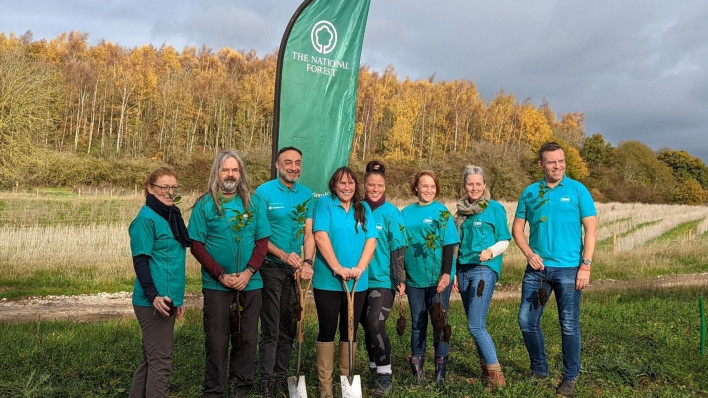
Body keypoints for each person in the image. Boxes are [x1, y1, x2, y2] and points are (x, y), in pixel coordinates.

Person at [513, 142, 598, 397]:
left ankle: (570, 377)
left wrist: (586, 265)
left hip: (570, 270)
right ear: (541, 165)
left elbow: (591, 230)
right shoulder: (530, 192)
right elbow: (517, 229)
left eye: (560, 161)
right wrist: (529, 254)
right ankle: (540, 370)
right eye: (551, 162)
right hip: (537, 271)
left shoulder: (577, 190)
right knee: (526, 321)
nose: (557, 166)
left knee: (569, 325)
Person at [188, 150, 271, 398]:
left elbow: (262, 241)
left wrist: (248, 272)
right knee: (217, 341)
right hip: (217, 286)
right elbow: (196, 245)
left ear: (241, 173)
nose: (230, 174)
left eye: (235, 170)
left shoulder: (253, 203)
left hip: (250, 283)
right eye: (225, 169)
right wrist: (221, 275)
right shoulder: (205, 204)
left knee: (246, 339)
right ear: (217, 172)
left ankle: (242, 390)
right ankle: (214, 391)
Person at [255, 146, 315, 397]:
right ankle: (266, 379)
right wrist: (283, 255)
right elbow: (260, 235)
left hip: (295, 271)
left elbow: (308, 233)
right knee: (270, 327)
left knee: (290, 325)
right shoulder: (263, 193)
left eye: (297, 163)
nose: (293, 167)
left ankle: (281, 374)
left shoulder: (307, 195)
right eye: (288, 162)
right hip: (270, 267)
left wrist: (307, 263)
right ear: (277, 166)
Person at [312, 166, 377, 398]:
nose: (347, 187)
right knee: (327, 330)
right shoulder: (324, 204)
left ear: (356, 186)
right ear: (334, 185)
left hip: (357, 281)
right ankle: (326, 389)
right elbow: (320, 236)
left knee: (349, 331)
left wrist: (359, 267)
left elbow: (371, 240)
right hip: (328, 281)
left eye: (351, 183)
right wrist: (337, 267)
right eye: (342, 183)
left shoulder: (364, 208)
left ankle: (346, 384)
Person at [128, 167, 191, 398]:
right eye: (164, 187)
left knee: (150, 360)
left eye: (173, 187)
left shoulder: (171, 216)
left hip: (168, 298)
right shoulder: (146, 220)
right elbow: (141, 262)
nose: (169, 192)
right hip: (154, 301)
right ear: (150, 188)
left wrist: (179, 298)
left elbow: (172, 263)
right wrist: (154, 296)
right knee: (161, 362)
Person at [454, 165, 511, 391]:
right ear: (465, 185)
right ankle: (485, 374)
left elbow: (504, 240)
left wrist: (491, 252)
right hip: (464, 270)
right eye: (470, 184)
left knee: (475, 325)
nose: (474, 188)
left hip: (483, 268)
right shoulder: (460, 213)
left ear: (485, 185)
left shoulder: (495, 208)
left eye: (478, 184)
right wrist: (454, 274)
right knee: (475, 324)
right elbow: (455, 245)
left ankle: (497, 377)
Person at [401, 170, 460, 385]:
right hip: (414, 278)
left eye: (432, 186)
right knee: (418, 323)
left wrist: (446, 274)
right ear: (415, 187)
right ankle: (418, 371)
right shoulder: (405, 213)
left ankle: (440, 373)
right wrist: (400, 276)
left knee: (440, 322)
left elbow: (448, 245)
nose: (428, 190)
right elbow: (400, 245)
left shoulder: (442, 212)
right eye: (424, 186)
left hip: (438, 279)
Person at [358, 161, 407, 396]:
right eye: (371, 185)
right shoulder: (356, 209)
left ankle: (385, 375)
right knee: (364, 325)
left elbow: (398, 247)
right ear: (364, 185)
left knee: (375, 323)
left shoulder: (391, 213)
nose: (375, 189)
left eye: (380, 185)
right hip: (358, 279)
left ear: (385, 186)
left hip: (382, 279)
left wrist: (398, 278)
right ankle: (373, 367)